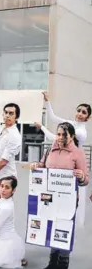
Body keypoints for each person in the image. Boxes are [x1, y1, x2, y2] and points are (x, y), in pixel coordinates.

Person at [31, 122, 89, 269]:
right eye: (59, 134)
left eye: (65, 134)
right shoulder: (50, 149)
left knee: (64, 228)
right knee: (51, 225)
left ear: (72, 136)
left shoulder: (78, 153)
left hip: (68, 199)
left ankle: (63, 262)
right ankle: (52, 261)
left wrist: (81, 176)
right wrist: (36, 166)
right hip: (50, 197)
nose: (61, 137)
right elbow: (42, 166)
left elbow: (86, 180)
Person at [34, 92, 91, 228]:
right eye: (78, 110)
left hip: (71, 164)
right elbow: (53, 118)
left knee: (69, 204)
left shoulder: (81, 132)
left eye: (84, 112)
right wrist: (47, 101)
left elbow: (56, 137)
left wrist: (42, 127)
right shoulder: (70, 124)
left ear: (88, 117)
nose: (80, 114)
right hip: (59, 162)